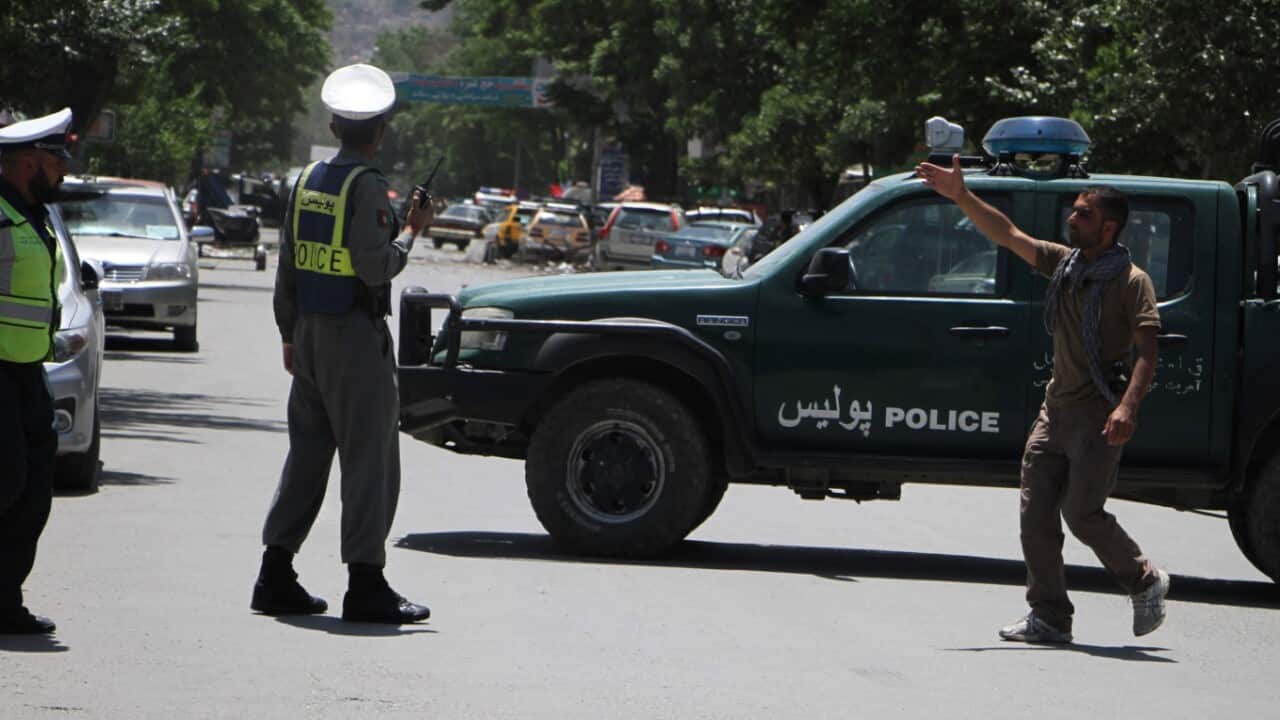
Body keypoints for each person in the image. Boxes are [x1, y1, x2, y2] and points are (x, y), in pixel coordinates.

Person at [916, 154, 1170, 643]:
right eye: (1074, 210)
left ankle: (1143, 580)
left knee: (1082, 516)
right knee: (1035, 518)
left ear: (1109, 227)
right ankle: (1050, 616)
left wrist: (1127, 407)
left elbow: (1147, 351)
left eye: (1083, 214)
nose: (1072, 219)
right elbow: (1009, 234)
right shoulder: (1064, 264)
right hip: (1054, 412)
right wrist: (962, 196)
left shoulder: (1131, 281)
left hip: (1098, 413)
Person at [252, 64, 434, 624]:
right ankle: (366, 585)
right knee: (369, 460)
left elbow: (288, 262)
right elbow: (375, 266)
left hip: (308, 332)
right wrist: (412, 229)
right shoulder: (368, 185)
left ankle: (274, 574)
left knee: (307, 456)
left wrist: (288, 333)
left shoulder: (308, 180)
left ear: (333, 127)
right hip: (353, 337)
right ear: (380, 131)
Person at [0, 107, 73, 635]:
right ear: (29, 162)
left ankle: (5, 603)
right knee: (7, 482)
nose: (64, 171)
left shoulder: (34, 216)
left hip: (28, 371)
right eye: (56, 161)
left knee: (32, 493)